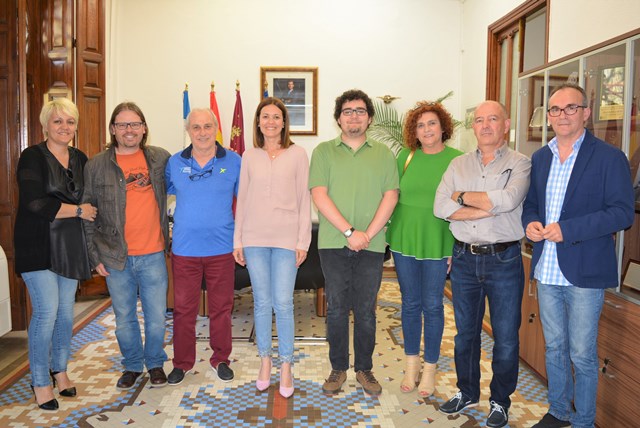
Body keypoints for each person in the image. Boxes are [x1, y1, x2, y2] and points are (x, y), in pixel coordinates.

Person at [523, 83, 634, 428]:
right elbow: (531, 206)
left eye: (571, 108)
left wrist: (568, 229)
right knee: (554, 347)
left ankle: (584, 421)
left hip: (585, 273)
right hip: (547, 270)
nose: (562, 115)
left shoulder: (609, 157)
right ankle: (558, 412)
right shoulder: (541, 157)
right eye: (555, 110)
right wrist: (531, 224)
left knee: (582, 354)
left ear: (586, 113)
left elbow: (622, 213)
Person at [434, 100, 531, 428]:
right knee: (465, 334)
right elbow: (439, 206)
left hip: (504, 259)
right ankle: (467, 391)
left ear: (506, 124)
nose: (486, 125)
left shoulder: (521, 163)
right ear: (472, 127)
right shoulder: (458, 165)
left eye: (493, 119)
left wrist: (461, 197)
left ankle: (500, 401)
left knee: (505, 336)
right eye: (479, 120)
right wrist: (486, 204)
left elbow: (510, 199)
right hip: (463, 259)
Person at [309, 89, 399, 397]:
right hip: (334, 243)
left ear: (370, 118)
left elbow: (391, 196)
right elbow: (319, 195)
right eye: (347, 111)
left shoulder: (384, 154)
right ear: (338, 119)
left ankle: (364, 369)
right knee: (335, 309)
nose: (354, 116)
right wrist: (350, 232)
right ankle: (338, 369)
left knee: (365, 309)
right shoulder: (323, 152)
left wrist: (367, 234)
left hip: (372, 245)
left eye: (360, 111)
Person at [14, 98, 97, 410]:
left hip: (70, 246)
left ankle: (60, 370)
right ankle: (39, 381)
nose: (65, 127)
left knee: (65, 315)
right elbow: (35, 203)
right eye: (58, 121)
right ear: (45, 124)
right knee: (47, 312)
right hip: (37, 245)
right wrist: (77, 210)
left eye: (70, 122)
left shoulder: (80, 158)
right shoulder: (31, 156)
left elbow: (90, 198)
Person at [83, 101, 171, 390]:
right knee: (124, 319)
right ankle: (133, 365)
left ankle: (155, 363)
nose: (129, 130)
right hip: (114, 256)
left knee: (157, 317)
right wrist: (93, 254)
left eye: (135, 124)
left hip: (153, 253)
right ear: (113, 129)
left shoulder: (160, 159)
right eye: (122, 125)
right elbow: (86, 211)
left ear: (144, 128)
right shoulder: (96, 164)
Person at [233, 97, 311, 398]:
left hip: (286, 240)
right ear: (258, 122)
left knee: (284, 303)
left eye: (276, 117)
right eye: (265, 116)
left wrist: (303, 241)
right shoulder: (248, 156)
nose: (270, 122)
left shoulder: (298, 154)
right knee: (262, 303)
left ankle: (286, 364)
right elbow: (242, 199)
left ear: (283, 122)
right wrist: (237, 240)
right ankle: (265, 361)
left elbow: (305, 200)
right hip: (253, 239)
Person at [385, 101, 462, 397]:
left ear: (443, 127)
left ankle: (430, 369)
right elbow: (391, 196)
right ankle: (411, 365)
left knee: (432, 305)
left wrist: (456, 247)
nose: (426, 129)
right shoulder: (405, 156)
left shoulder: (457, 159)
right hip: (405, 239)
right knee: (409, 303)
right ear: (413, 132)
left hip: (439, 241)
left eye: (431, 123)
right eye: (420, 125)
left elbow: (463, 203)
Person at [165, 108, 241, 386]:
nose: (202, 132)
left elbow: (245, 203)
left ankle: (221, 359)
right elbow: (159, 198)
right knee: (184, 309)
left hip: (222, 249)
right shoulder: (174, 163)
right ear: (188, 131)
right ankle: (182, 363)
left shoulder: (233, 161)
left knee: (222, 308)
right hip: (185, 250)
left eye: (207, 126)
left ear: (216, 128)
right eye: (196, 127)